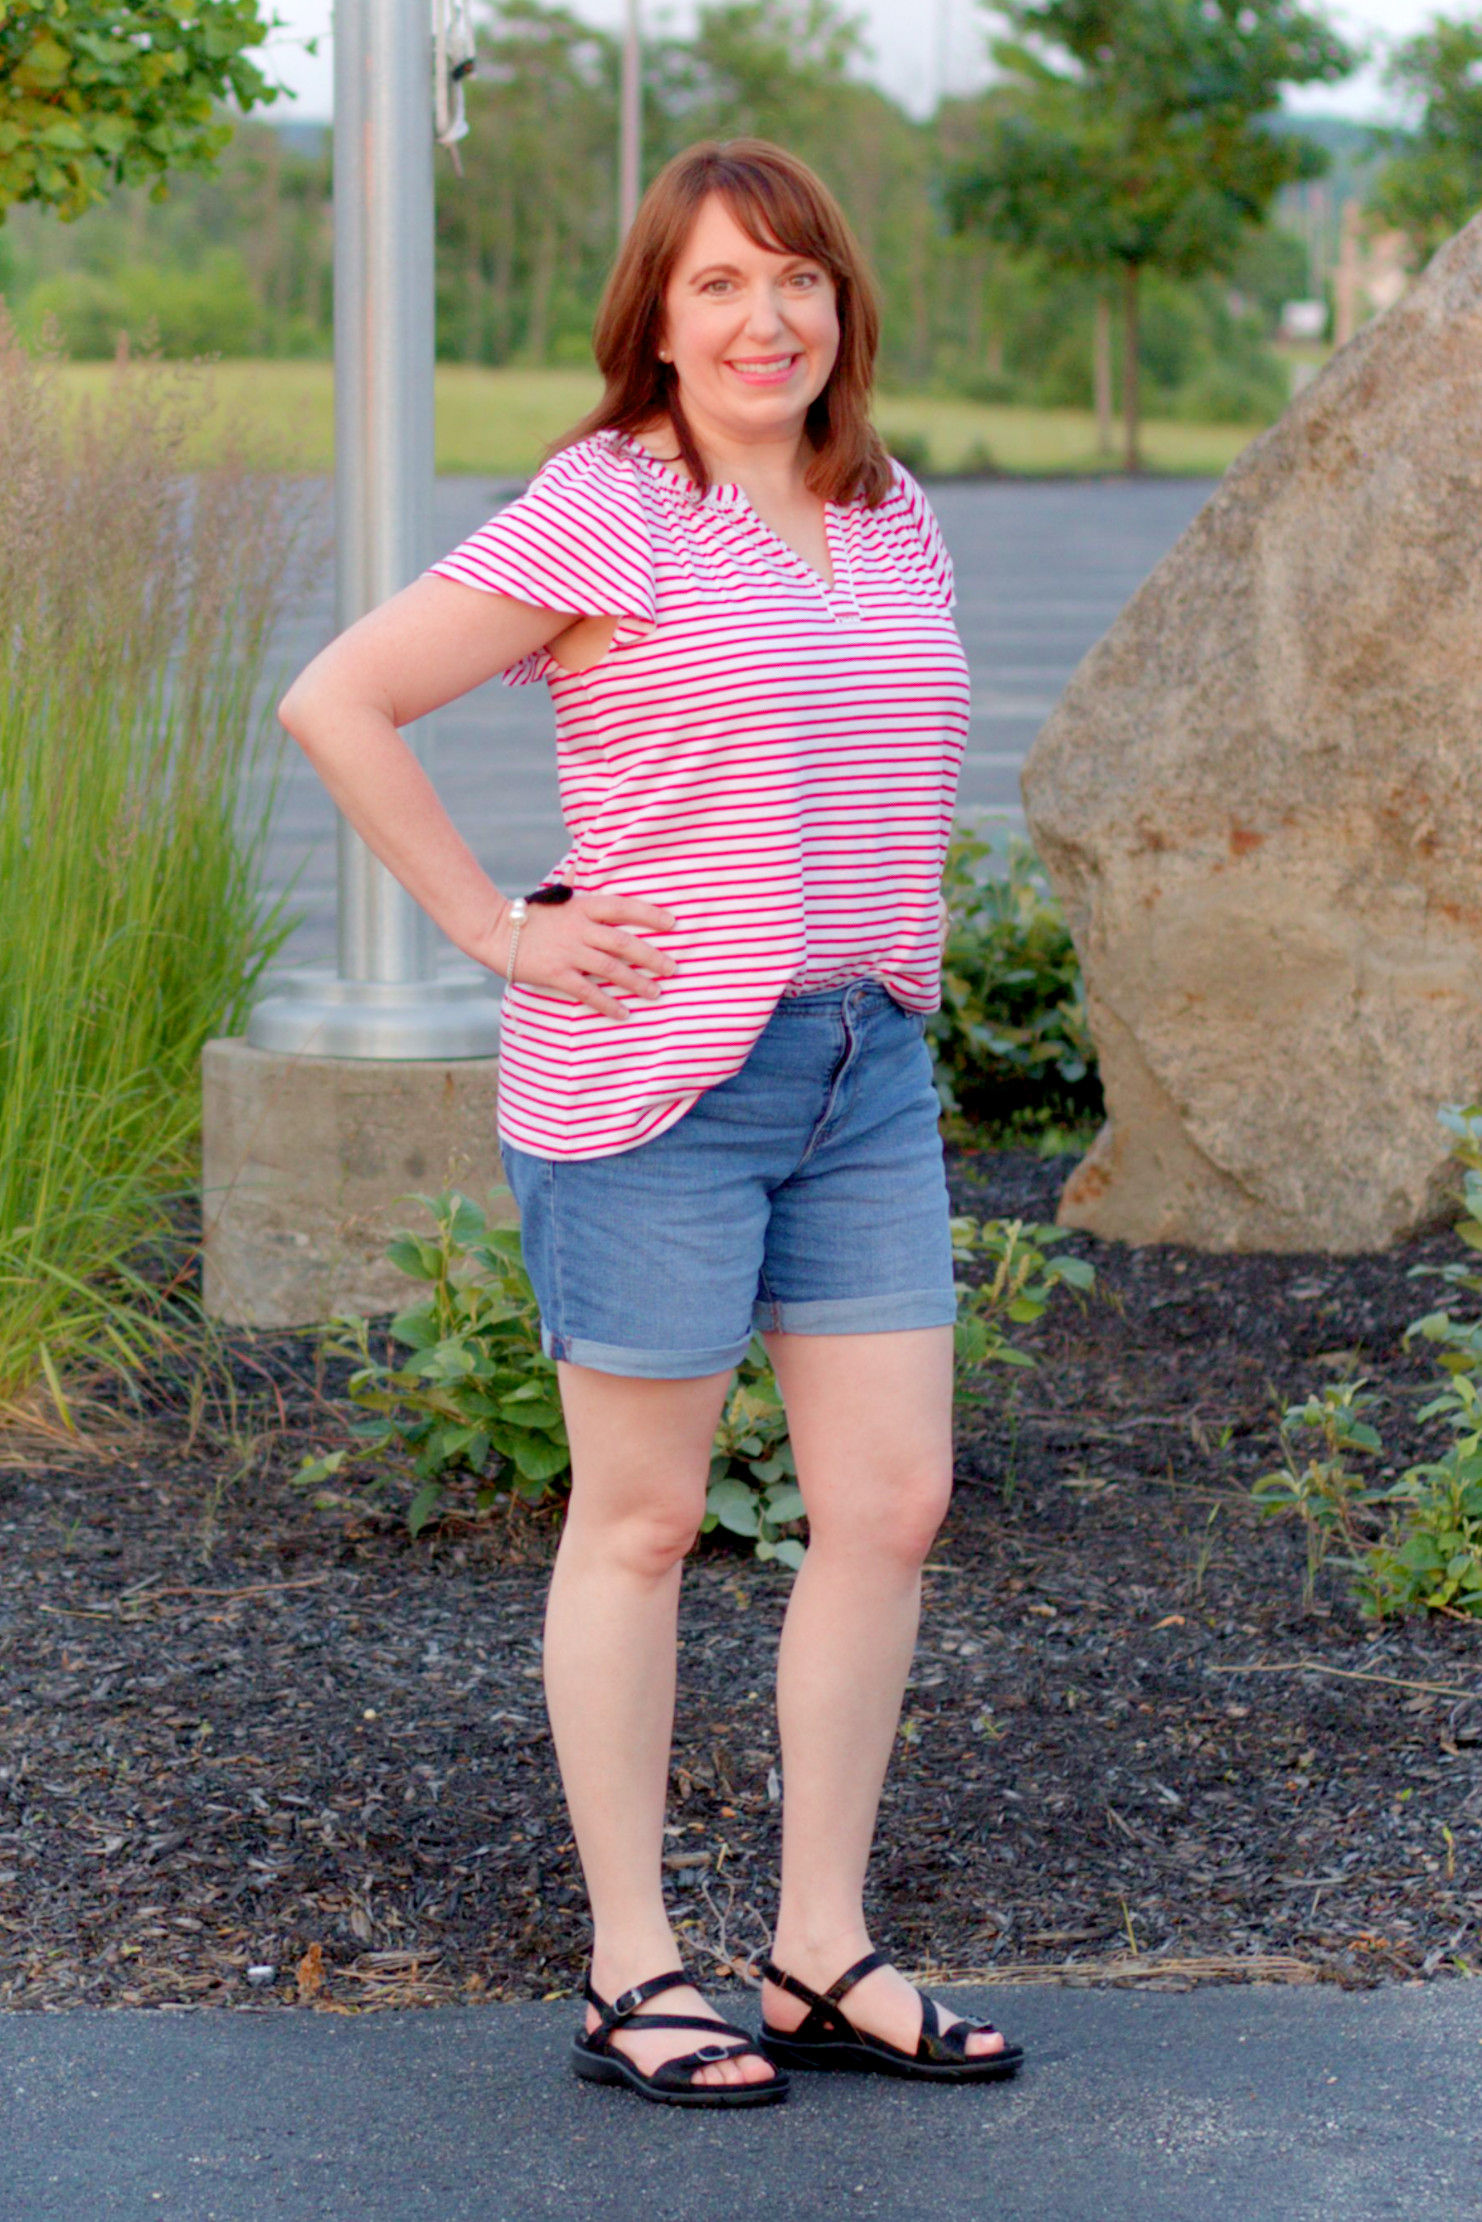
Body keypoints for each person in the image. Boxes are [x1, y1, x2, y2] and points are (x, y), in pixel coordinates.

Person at [278, 137, 1023, 2109]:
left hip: (864, 1066)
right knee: (644, 1517)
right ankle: (634, 1968)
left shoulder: (893, 511)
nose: (767, 319)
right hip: (657, 1083)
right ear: (660, 320)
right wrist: (492, 925)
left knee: (888, 1506)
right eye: (721, 286)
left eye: (799, 280)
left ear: (840, 305)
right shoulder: (612, 505)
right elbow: (341, 698)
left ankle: (816, 1945)